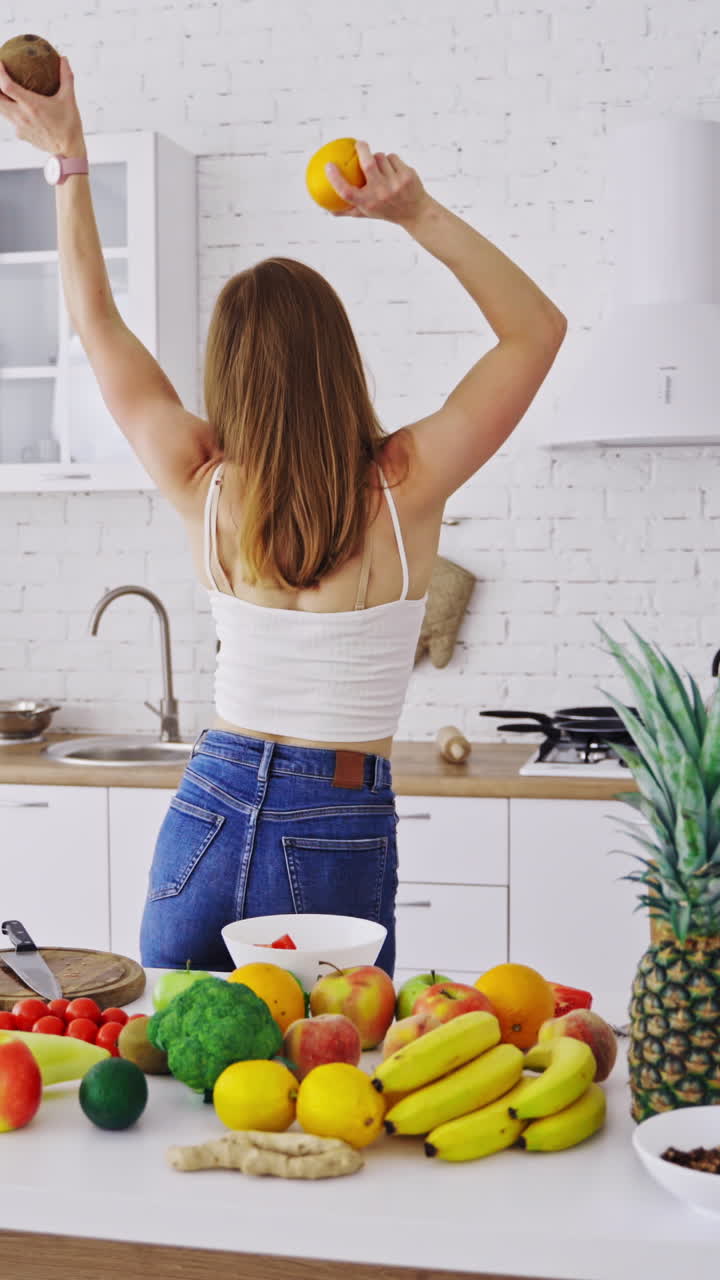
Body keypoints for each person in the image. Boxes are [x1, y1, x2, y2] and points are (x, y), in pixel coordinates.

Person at [0, 58, 567, 975]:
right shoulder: (405, 484)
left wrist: (67, 158)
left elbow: (95, 322)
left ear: (226, 374)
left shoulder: (201, 480)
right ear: (341, 360)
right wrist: (414, 211)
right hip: (336, 818)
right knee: (328, 1065)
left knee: (175, 1053)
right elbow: (536, 329)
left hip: (208, 806)